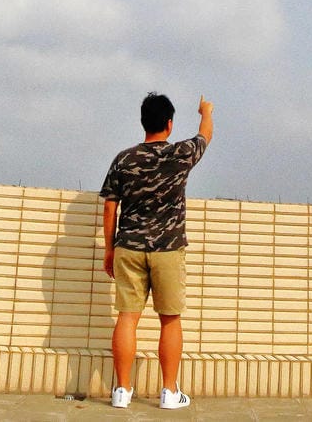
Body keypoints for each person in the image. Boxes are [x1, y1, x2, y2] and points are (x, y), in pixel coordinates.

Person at [100, 92, 214, 410]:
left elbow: (110, 207)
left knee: (127, 317)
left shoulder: (124, 159)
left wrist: (110, 249)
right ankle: (169, 392)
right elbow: (205, 135)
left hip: (129, 248)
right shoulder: (179, 154)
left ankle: (121, 392)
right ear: (169, 123)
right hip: (169, 249)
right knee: (170, 320)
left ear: (142, 122)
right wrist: (206, 111)